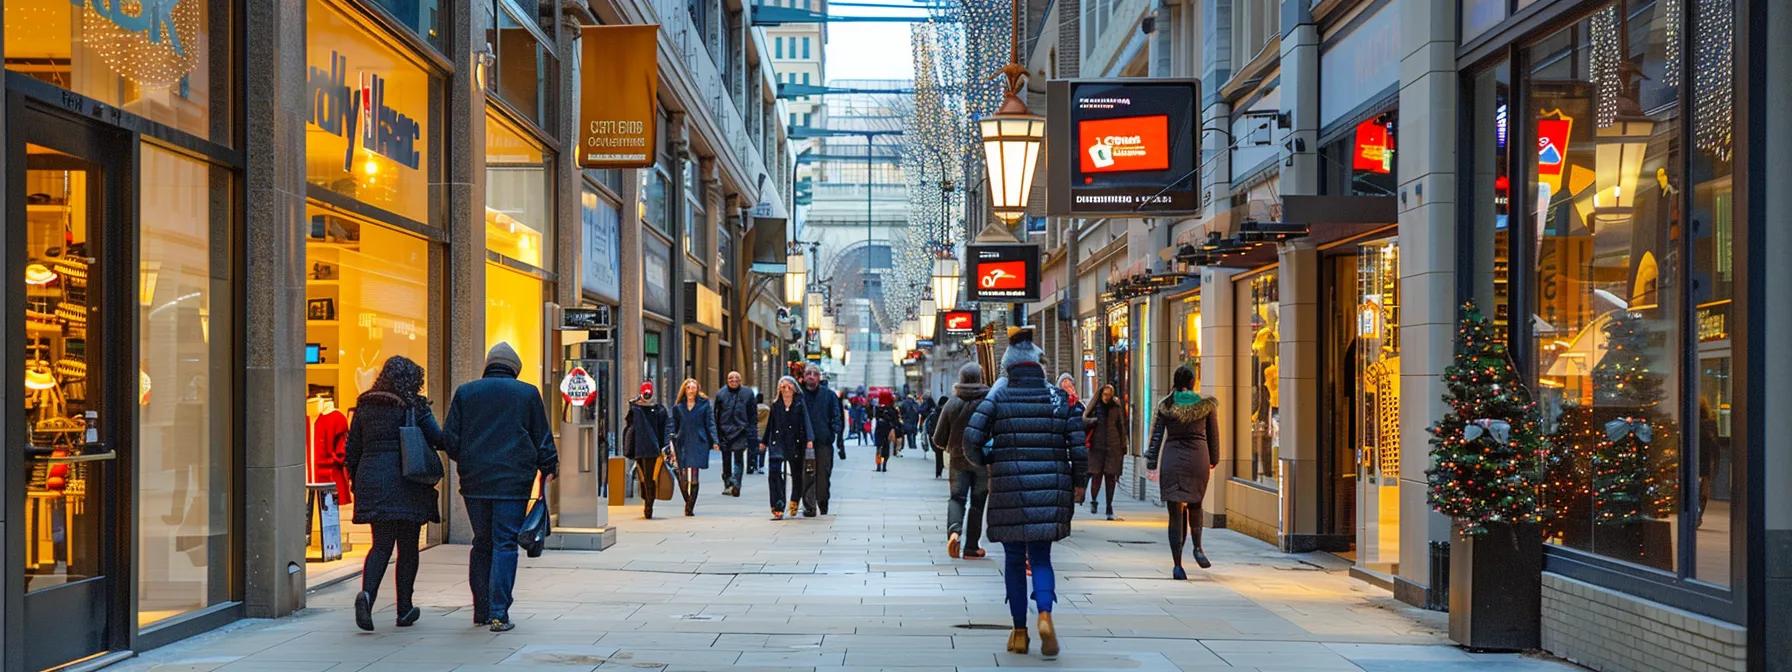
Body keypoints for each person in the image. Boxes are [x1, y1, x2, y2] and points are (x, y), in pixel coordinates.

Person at [962, 329, 1086, 659]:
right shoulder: (1058, 399)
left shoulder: (998, 398)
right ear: (1038, 365)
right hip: (1049, 488)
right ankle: (1044, 613)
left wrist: (990, 459)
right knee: (1041, 557)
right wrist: (1079, 482)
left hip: (1009, 488)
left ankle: (1019, 632)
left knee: (1015, 560)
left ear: (1009, 367)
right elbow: (1078, 446)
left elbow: (971, 440)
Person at [442, 342, 558, 632]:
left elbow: (450, 440)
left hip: (474, 482)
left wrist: (468, 459)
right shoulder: (527, 393)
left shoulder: (466, 392)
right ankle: (498, 613)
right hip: (513, 482)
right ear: (515, 369)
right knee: (505, 543)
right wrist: (548, 467)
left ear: (488, 365)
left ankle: (480, 610)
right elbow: (541, 437)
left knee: (481, 542)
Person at [345, 355, 443, 631]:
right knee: (408, 546)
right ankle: (404, 609)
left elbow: (352, 451)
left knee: (381, 544)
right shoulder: (415, 406)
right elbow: (437, 438)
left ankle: (367, 596)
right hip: (407, 480)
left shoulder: (365, 406)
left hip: (373, 480)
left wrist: (358, 481)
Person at [1145, 365, 1220, 579]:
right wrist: (1213, 459)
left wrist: (1151, 462)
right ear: (1192, 381)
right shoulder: (1206, 405)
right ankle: (1198, 547)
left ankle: (1177, 565)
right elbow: (1214, 436)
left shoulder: (1166, 404)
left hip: (1173, 458)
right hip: (1198, 458)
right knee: (1195, 504)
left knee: (1175, 513)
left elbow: (1157, 436)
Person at [932, 362, 990, 559]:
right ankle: (972, 547)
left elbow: (938, 438)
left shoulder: (951, 403)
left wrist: (950, 446)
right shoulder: (989, 402)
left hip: (957, 459)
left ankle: (954, 532)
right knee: (978, 501)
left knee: (957, 498)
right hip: (982, 461)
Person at [665, 378, 719, 516]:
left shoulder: (704, 405)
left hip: (698, 442)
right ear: (684, 390)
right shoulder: (678, 407)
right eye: (688, 387)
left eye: (693, 387)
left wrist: (715, 440)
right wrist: (670, 441)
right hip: (682, 442)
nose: (690, 390)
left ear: (697, 390)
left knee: (694, 474)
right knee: (682, 475)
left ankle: (690, 507)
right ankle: (687, 500)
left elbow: (710, 423)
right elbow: (673, 425)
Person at [762, 376, 812, 519]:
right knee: (774, 473)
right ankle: (777, 505)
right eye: (783, 387)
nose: (786, 390)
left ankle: (795, 500)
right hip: (777, 442)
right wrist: (764, 442)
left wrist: (809, 439)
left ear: (794, 388)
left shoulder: (800, 403)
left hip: (795, 441)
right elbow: (770, 424)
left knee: (796, 473)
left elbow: (806, 421)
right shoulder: (775, 405)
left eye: (789, 387)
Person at [798, 364, 845, 513]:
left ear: (819, 377)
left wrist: (833, 432)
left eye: (814, 374)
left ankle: (823, 503)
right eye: (808, 373)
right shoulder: (799, 396)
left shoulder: (829, 395)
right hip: (803, 443)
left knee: (823, 476)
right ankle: (809, 506)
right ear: (804, 377)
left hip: (823, 442)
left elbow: (836, 416)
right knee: (806, 475)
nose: (811, 376)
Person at [622, 380, 669, 519]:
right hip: (640, 447)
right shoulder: (637, 409)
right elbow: (629, 425)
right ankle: (648, 502)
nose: (647, 396)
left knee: (648, 477)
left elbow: (664, 427)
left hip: (650, 448)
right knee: (643, 477)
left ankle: (649, 505)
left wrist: (664, 445)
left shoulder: (658, 409)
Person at [1083, 383, 1128, 521]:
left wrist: (1123, 444)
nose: (1107, 397)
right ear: (1101, 394)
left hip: (1113, 446)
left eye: (1109, 394)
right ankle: (1094, 500)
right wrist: (1093, 420)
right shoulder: (1095, 407)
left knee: (1110, 478)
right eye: (1105, 394)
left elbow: (1121, 425)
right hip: (1097, 446)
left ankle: (1109, 506)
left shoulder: (1116, 406)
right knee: (1096, 476)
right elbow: (1084, 420)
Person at [712, 371, 758, 497]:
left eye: (736, 378)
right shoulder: (721, 394)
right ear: (727, 380)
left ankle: (736, 484)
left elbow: (753, 414)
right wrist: (715, 436)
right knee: (726, 459)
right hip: (724, 432)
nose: (733, 380)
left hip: (741, 431)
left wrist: (751, 431)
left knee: (738, 459)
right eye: (730, 378)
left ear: (741, 379)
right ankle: (728, 484)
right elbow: (716, 415)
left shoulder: (748, 394)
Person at [873, 390, 902, 471]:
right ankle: (884, 465)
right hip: (888, 430)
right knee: (886, 448)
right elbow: (896, 421)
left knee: (878, 448)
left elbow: (876, 417)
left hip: (879, 430)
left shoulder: (878, 409)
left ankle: (878, 465)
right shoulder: (893, 409)